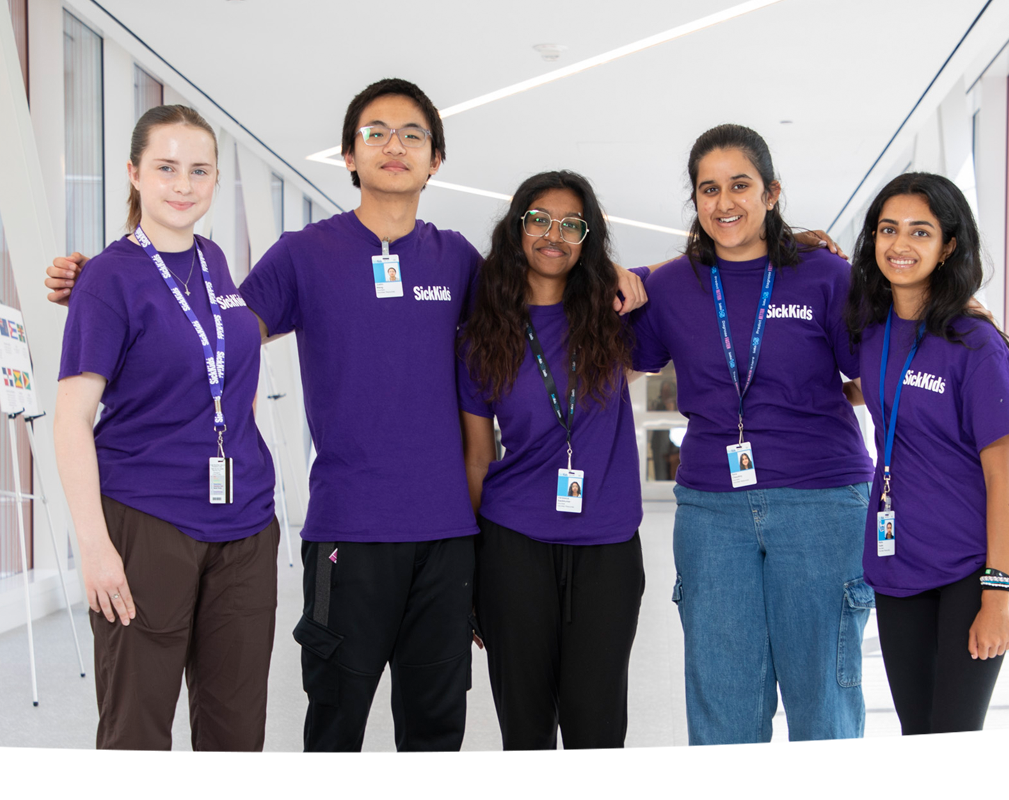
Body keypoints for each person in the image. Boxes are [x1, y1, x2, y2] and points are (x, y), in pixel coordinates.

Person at [43, 79, 648, 752]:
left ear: (436, 160)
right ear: (348, 156)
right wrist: (101, 280)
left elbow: (544, 287)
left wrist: (617, 273)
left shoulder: (457, 261)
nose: (395, 146)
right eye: (376, 133)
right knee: (335, 730)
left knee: (436, 731)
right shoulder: (305, 256)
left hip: (446, 539)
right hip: (346, 535)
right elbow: (215, 332)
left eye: (413, 135)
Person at [628, 124, 876, 746]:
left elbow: (874, 372)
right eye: (708, 189)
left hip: (822, 501)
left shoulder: (824, 274)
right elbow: (616, 361)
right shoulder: (670, 285)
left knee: (824, 703)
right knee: (724, 706)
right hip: (713, 511)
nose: (724, 202)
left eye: (740, 184)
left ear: (772, 192)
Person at [53, 105, 279, 753]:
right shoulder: (106, 279)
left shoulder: (213, 261)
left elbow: (228, 372)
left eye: (199, 170)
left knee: (237, 732)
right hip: (147, 524)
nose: (184, 185)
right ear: (134, 174)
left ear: (214, 180)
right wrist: (94, 548)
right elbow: (71, 420)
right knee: (137, 731)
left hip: (245, 525)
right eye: (166, 168)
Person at [458, 170, 645, 752]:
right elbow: (476, 459)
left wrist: (799, 240)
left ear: (588, 240)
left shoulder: (618, 318)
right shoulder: (481, 337)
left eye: (571, 225)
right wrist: (468, 573)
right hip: (513, 543)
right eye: (540, 219)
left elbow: (708, 266)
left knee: (598, 729)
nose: (553, 235)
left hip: (608, 548)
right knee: (526, 728)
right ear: (517, 230)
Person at [842, 171, 1009, 747]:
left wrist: (998, 593)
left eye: (920, 232)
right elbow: (868, 389)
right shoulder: (870, 333)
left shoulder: (973, 342)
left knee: (952, 740)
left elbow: (1002, 480)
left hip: (972, 567)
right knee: (916, 737)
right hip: (900, 567)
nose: (901, 245)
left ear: (948, 246)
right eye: (888, 230)